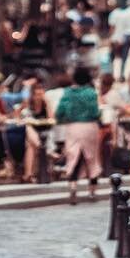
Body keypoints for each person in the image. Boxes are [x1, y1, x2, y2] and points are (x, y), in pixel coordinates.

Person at [54, 65, 103, 203]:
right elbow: (95, 112)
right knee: (92, 159)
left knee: (73, 157)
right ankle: (92, 192)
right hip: (90, 127)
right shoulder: (91, 93)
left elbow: (59, 112)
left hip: (73, 127)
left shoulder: (68, 93)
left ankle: (73, 188)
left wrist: (63, 119)